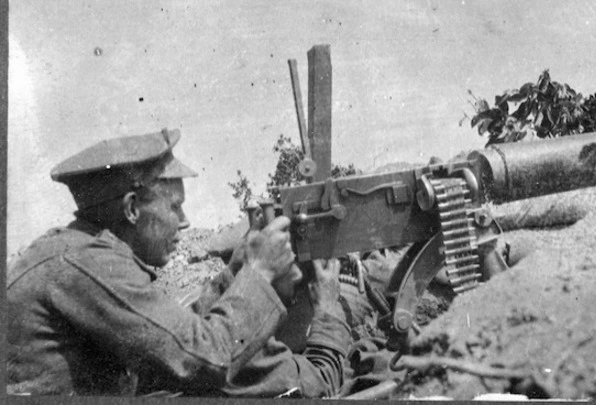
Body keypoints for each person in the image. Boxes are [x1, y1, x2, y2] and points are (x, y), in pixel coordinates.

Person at [6, 128, 352, 397]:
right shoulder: (89, 265)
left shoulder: (82, 252)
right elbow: (202, 359)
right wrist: (260, 274)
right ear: (131, 208)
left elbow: (175, 334)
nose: (184, 221)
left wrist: (237, 273)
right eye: (174, 207)